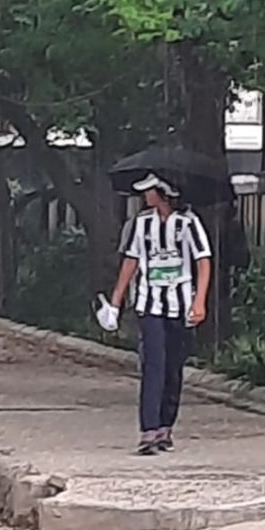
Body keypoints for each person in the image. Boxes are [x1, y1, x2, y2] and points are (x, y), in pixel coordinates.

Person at [105, 173, 213, 456]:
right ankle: (149, 429)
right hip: (149, 304)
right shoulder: (142, 224)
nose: (145, 196)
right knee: (153, 364)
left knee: (173, 367)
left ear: (164, 192)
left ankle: (165, 425)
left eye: (150, 191)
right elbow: (132, 261)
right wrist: (116, 301)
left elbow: (203, 262)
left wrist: (199, 302)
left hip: (180, 305)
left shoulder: (188, 224)